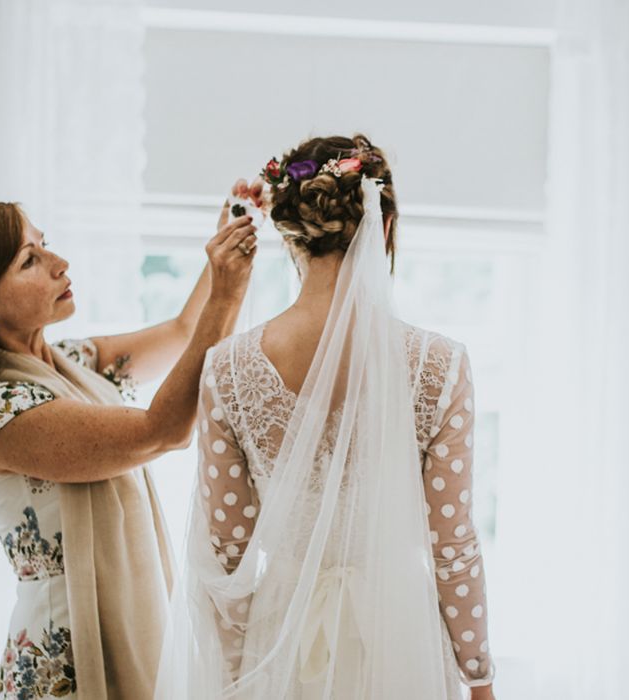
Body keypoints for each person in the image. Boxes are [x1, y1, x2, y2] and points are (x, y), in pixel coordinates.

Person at [158, 135, 496, 699]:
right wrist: (479, 681)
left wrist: (237, 680)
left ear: (291, 238)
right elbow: (452, 550)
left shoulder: (229, 371)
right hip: (400, 644)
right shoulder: (440, 368)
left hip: (280, 647)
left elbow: (226, 556)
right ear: (382, 228)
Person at [0, 181, 262, 700]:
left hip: (106, 622)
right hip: (66, 661)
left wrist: (227, 241)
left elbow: (186, 332)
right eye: (30, 260)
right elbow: (162, 431)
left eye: (45, 244)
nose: (60, 263)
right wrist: (228, 292)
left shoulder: (70, 362)